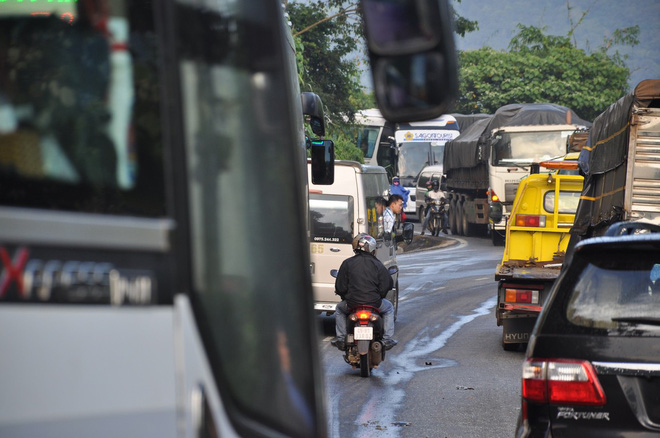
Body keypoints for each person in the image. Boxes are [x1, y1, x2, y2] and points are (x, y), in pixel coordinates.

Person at [331, 234, 397, 351]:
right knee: (389, 308)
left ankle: (341, 338)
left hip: (352, 304)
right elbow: (387, 284)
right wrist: (379, 296)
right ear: (372, 249)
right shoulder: (378, 264)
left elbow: (340, 287)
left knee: (339, 309)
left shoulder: (347, 263)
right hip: (374, 303)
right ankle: (386, 339)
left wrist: (345, 296)